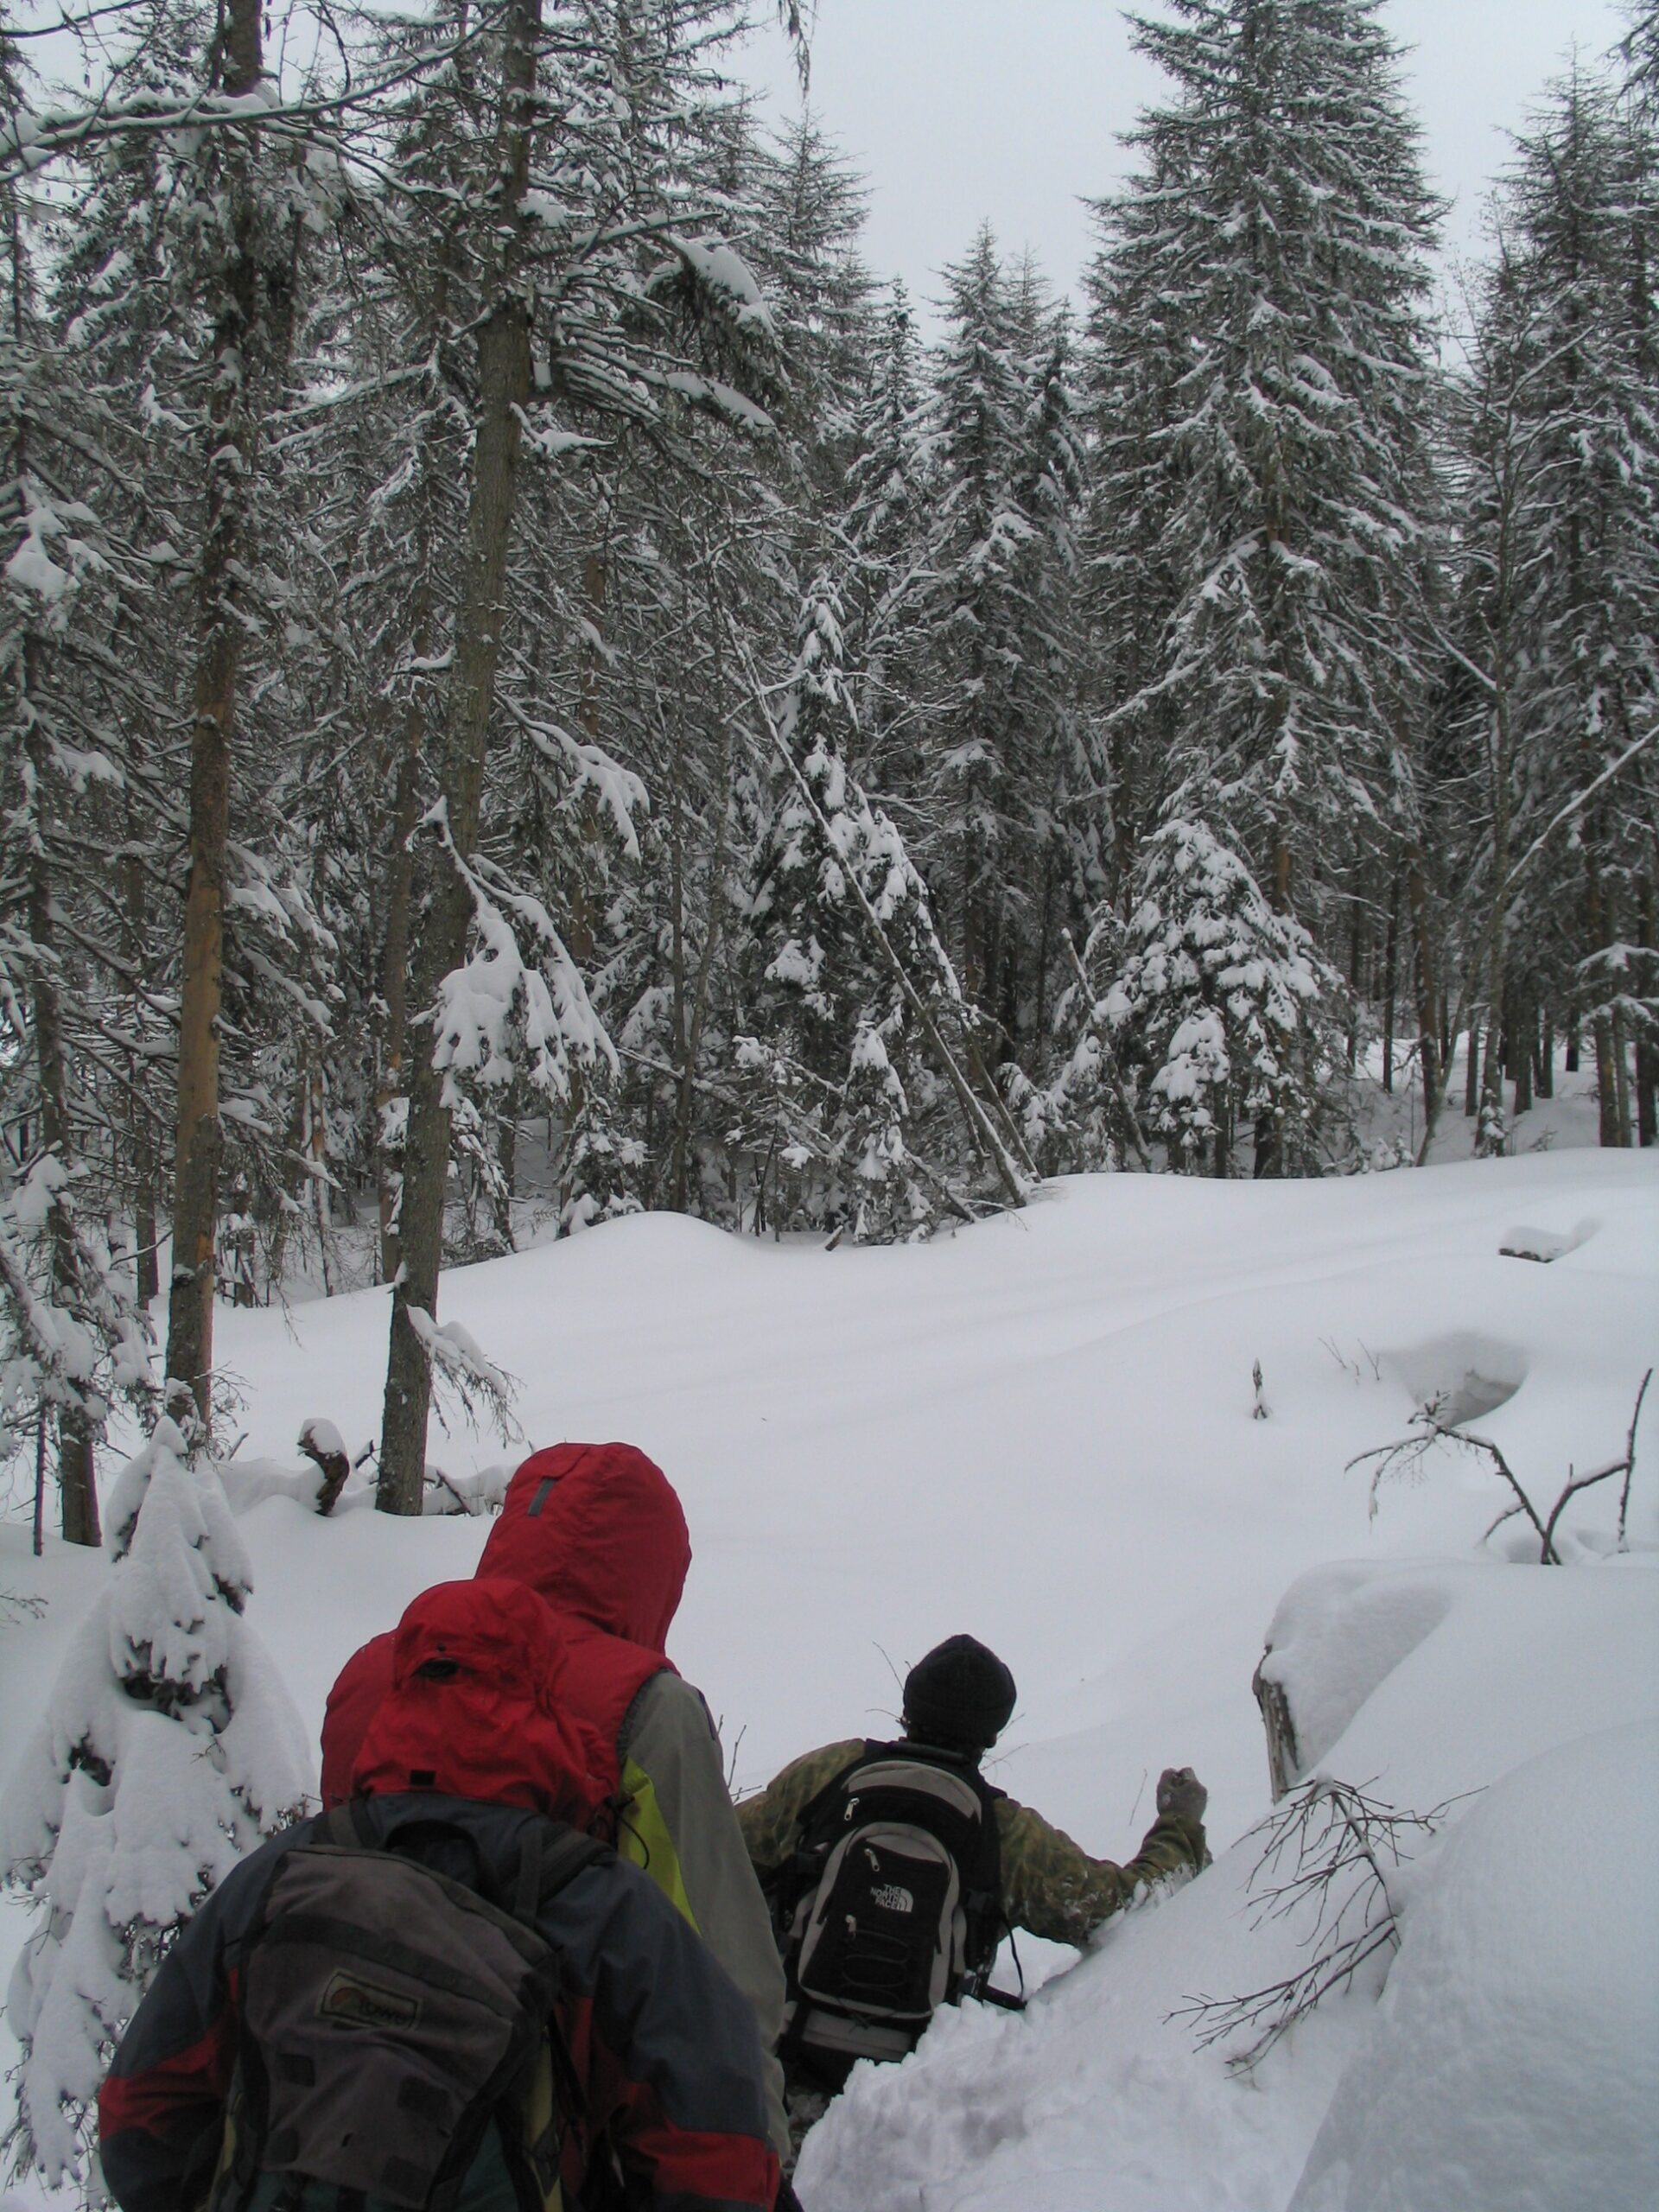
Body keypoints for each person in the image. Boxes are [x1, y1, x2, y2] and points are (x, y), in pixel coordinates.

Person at [99, 1580, 779, 2212]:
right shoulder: (605, 1907)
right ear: (547, 1694)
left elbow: (139, 2114)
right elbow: (721, 2162)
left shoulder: (282, 1874)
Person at [320, 1440, 790, 2157]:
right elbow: (722, 1977)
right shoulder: (648, 1708)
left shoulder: (380, 1671)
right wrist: (764, 2161)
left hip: (334, 2105)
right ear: (653, 1571)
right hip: (546, 2141)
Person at [739, 1634, 1208, 2134]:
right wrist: (1178, 1827)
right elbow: (1118, 1909)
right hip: (909, 2101)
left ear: (908, 1708)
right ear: (992, 1732)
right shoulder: (1005, 1833)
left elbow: (720, 1844)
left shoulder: (829, 1775)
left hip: (779, 2063)